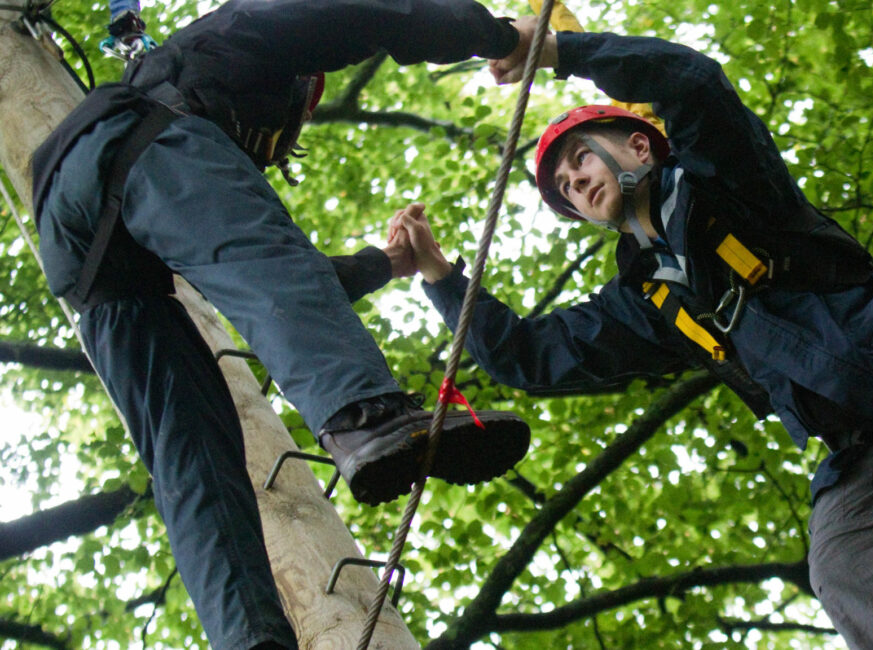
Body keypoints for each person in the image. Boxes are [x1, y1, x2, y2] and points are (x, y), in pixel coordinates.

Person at [379, 17, 873, 649]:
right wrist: (442, 280)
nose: (575, 182)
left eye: (581, 161)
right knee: (841, 558)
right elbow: (531, 357)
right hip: (861, 434)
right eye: (562, 186)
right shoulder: (644, 303)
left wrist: (560, 51)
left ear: (636, 146)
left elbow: (693, 83)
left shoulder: (723, 180)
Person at [29, 1, 533, 648]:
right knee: (264, 265)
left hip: (78, 249)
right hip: (129, 151)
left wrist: (384, 263)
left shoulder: (174, 118)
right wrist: (495, 35)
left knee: (187, 448)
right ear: (301, 89)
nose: (283, 141)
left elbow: (273, 272)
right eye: (291, 128)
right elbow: (365, 12)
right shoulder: (241, 38)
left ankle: (246, 635)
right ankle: (366, 417)